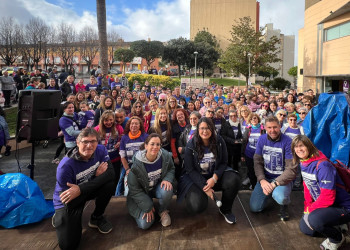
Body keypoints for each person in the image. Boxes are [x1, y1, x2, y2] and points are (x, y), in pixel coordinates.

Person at [52, 128, 115, 250]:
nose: (89, 145)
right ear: (77, 142)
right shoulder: (65, 166)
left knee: (109, 184)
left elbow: (111, 173)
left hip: (83, 190)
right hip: (68, 200)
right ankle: (60, 216)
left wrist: (81, 188)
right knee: (68, 245)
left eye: (93, 141)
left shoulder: (101, 150)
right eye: (85, 141)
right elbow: (68, 199)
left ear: (98, 142)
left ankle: (96, 217)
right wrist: (96, 179)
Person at [178, 117, 241, 224]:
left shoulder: (219, 141)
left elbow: (224, 162)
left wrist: (215, 178)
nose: (205, 131)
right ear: (198, 130)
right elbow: (190, 169)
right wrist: (204, 186)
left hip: (214, 176)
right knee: (196, 206)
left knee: (234, 179)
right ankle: (196, 195)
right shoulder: (191, 144)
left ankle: (225, 209)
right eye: (202, 128)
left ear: (212, 128)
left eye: (208, 128)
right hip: (197, 178)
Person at [292, 135, 350, 250]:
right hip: (328, 207)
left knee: (314, 220)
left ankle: (337, 239)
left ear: (309, 146)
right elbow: (307, 186)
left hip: (343, 207)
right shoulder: (303, 162)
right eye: (296, 147)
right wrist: (307, 207)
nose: (299, 149)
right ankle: (336, 224)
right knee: (306, 229)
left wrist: (311, 210)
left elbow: (328, 197)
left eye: (302, 146)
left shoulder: (323, 165)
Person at [249, 116, 297, 221]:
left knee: (281, 197)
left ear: (279, 126)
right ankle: (271, 194)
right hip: (266, 177)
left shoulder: (288, 141)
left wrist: (274, 184)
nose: (272, 130)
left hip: (282, 179)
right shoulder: (262, 139)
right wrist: (262, 180)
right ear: (265, 128)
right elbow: (257, 162)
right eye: (269, 128)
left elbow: (291, 169)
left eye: (275, 127)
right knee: (255, 208)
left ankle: (284, 204)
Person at [127, 133, 175, 229]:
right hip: (142, 193)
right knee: (144, 225)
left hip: (156, 188)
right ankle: (148, 207)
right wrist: (147, 206)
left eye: (158, 144)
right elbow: (135, 190)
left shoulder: (165, 156)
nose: (155, 147)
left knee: (167, 189)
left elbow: (171, 168)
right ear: (146, 145)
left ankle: (162, 211)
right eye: (152, 144)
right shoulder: (136, 165)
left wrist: (167, 179)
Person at [117, 116, 148, 196]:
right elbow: (122, 156)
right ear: (129, 125)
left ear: (140, 125)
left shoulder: (145, 137)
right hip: (129, 165)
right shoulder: (124, 138)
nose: (134, 125)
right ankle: (117, 197)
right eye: (132, 124)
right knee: (121, 182)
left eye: (136, 124)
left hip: (143, 166)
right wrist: (127, 169)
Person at [94, 110, 123, 187]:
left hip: (115, 158)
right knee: (104, 179)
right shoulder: (96, 129)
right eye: (106, 120)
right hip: (102, 160)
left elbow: (122, 138)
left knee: (115, 177)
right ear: (102, 120)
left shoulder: (118, 127)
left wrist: (120, 142)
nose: (109, 122)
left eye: (111, 120)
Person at [241, 113, 265, 189]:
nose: (253, 120)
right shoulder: (248, 129)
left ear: (258, 119)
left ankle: (259, 184)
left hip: (259, 154)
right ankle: (253, 184)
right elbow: (244, 141)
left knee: (259, 170)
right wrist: (242, 154)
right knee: (251, 170)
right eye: (251, 119)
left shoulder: (263, 129)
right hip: (249, 153)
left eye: (255, 118)